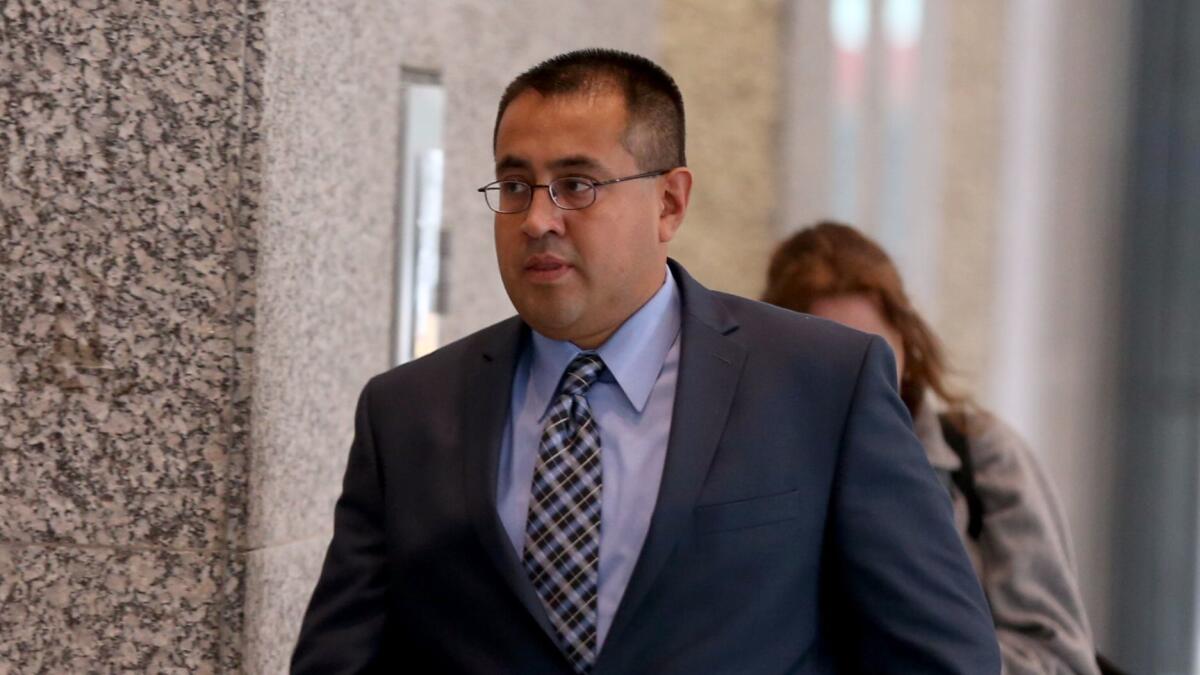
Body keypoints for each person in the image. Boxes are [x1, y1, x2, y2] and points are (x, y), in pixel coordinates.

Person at [291, 49, 1000, 674]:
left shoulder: (821, 386)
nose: (538, 218)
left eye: (577, 184)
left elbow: (941, 657)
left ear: (669, 201)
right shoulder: (408, 413)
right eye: (514, 187)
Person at [762, 221, 1100, 675]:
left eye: (872, 356)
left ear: (906, 340)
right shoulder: (755, 478)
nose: (856, 381)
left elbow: (1064, 659)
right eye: (829, 361)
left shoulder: (981, 458)